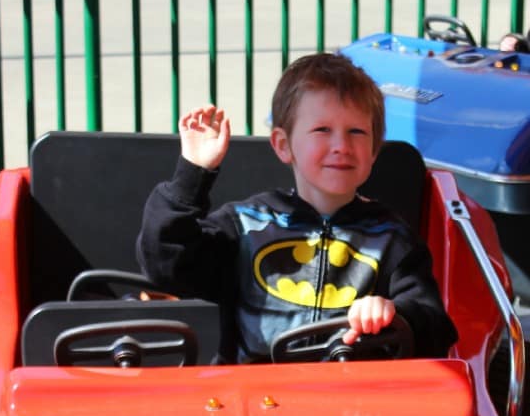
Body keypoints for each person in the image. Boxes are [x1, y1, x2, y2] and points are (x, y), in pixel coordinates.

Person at [137, 53, 457, 363]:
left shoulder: (392, 239)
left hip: (351, 400)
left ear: (374, 150)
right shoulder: (248, 225)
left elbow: (435, 329)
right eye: (322, 130)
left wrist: (395, 314)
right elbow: (166, 264)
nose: (341, 146)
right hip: (253, 398)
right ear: (283, 144)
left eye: (356, 132)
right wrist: (193, 174)